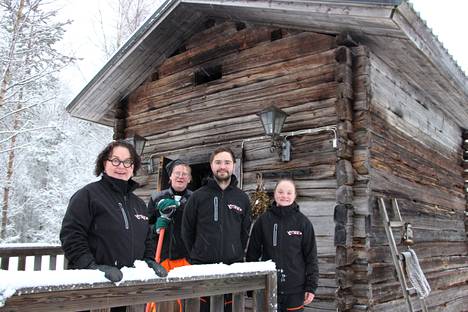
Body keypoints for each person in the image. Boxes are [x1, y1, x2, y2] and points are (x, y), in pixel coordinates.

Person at [60, 141, 167, 312]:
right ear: (104, 163)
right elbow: (71, 237)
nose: (121, 166)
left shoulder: (138, 204)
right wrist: (92, 267)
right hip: (91, 290)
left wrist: (149, 261)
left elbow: (146, 238)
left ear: (133, 167)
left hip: (126, 289)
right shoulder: (87, 195)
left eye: (127, 162)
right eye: (115, 160)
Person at [182, 146, 251, 312]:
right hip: (202, 269)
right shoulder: (197, 196)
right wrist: (198, 254)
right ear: (211, 165)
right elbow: (187, 231)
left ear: (233, 165)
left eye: (227, 162)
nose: (223, 166)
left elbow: (244, 232)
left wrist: (235, 253)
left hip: (231, 268)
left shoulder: (242, 198)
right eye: (218, 162)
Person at [246, 178, 318, 312]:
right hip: (267, 286)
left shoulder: (303, 223)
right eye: (281, 192)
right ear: (274, 194)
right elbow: (252, 254)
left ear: (295, 195)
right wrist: (252, 284)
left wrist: (311, 287)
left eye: (289, 193)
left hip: (295, 290)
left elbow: (311, 257)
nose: (284, 196)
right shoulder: (263, 221)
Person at [147, 159, 192, 312]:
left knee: (186, 302)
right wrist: (155, 228)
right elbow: (145, 227)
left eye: (185, 174)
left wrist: (180, 206)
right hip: (162, 257)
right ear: (170, 177)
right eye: (177, 173)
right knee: (161, 303)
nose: (181, 176)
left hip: (186, 259)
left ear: (189, 179)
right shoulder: (156, 198)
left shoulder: (195, 199)